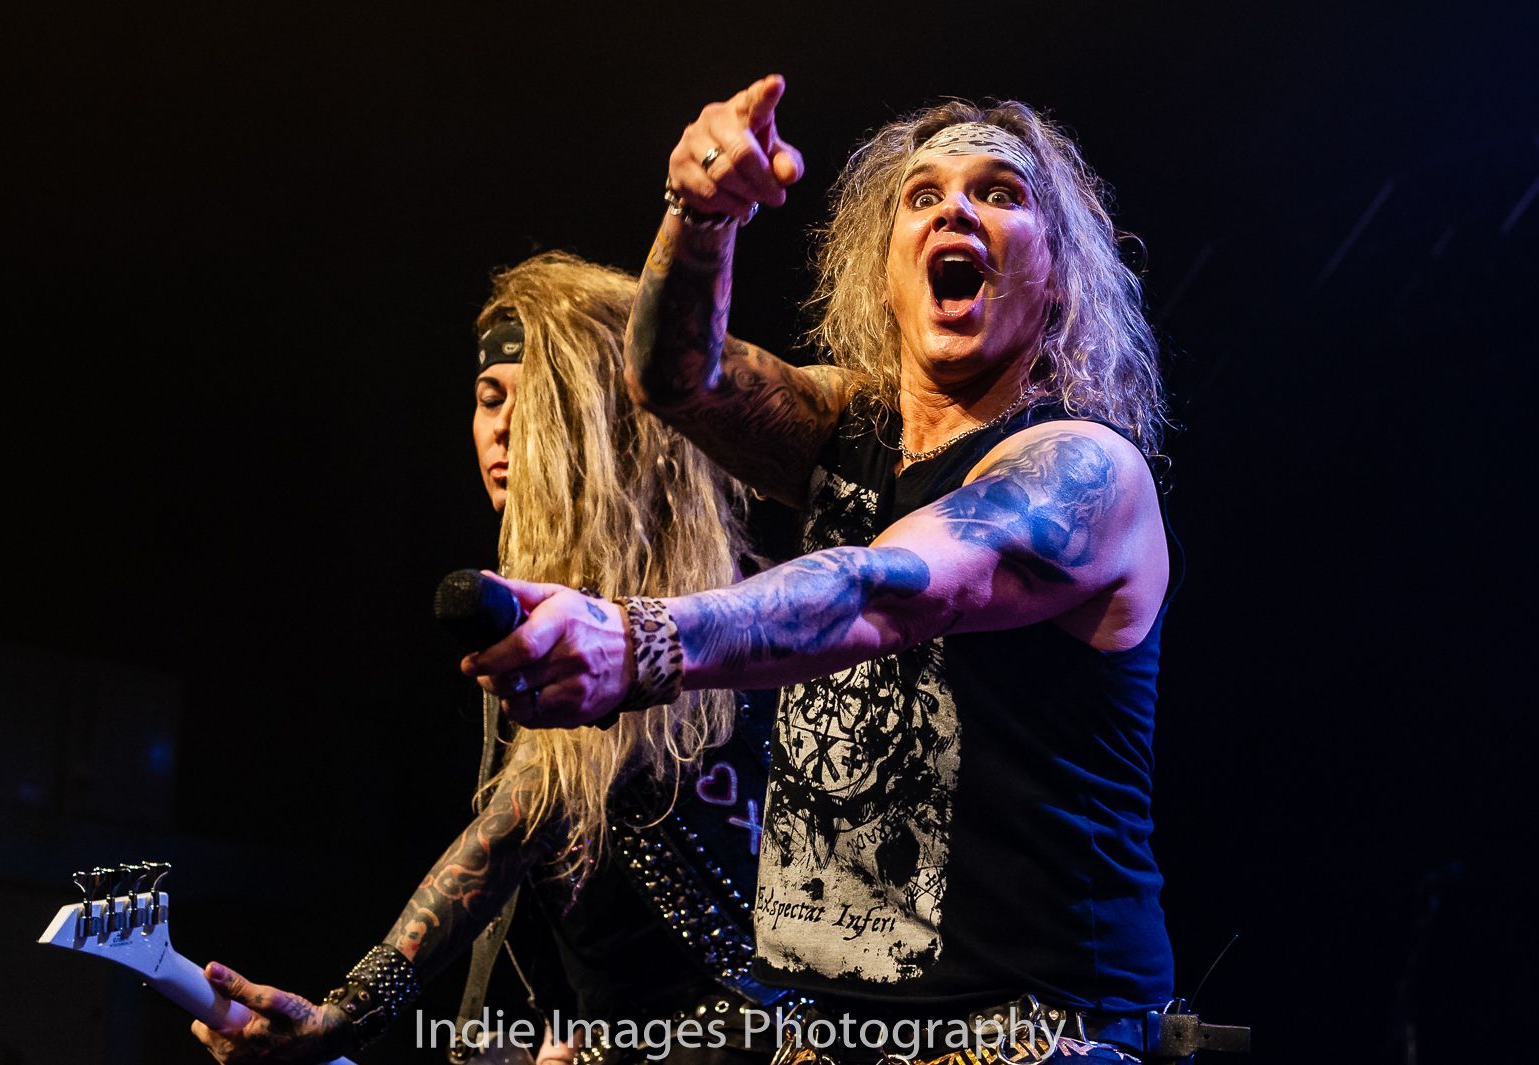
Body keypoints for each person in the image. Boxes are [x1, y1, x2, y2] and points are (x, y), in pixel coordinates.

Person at [469, 77, 1179, 1064]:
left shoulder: (1084, 471)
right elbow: (674, 379)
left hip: (1036, 1031)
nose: (956, 210)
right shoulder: (843, 426)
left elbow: (890, 590)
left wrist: (644, 638)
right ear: (882, 271)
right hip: (829, 1031)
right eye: (923, 196)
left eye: (1000, 192)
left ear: (1056, 277)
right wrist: (700, 216)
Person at [191, 252, 786, 1064]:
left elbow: (513, 825)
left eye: (531, 398)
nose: (500, 427)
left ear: (599, 419)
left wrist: (350, 1011)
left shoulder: (714, 611)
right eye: (487, 397)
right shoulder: (528, 620)